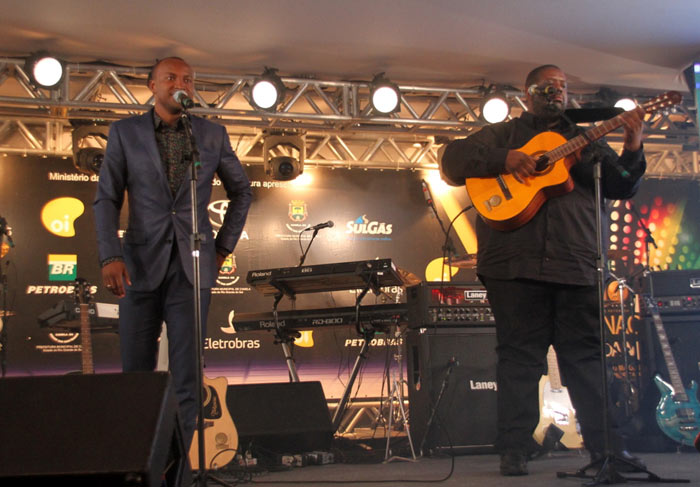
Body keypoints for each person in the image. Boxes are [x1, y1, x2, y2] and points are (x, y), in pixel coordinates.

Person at [440, 65, 646, 476]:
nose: (556, 91)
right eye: (546, 86)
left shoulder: (584, 143)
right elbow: (452, 160)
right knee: (518, 360)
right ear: (527, 93)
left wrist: (633, 142)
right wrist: (506, 159)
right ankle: (514, 449)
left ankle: (607, 450)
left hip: (575, 263)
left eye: (562, 86)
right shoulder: (504, 134)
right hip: (513, 264)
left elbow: (622, 185)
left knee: (586, 360)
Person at [94, 57, 252, 445]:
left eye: (187, 79)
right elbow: (107, 198)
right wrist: (110, 255)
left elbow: (242, 192)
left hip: (192, 267)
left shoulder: (211, 135)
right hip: (138, 265)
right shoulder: (125, 132)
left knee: (187, 376)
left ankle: (181, 470)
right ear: (152, 85)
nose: (180, 83)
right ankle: (140, 465)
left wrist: (222, 247)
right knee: (137, 375)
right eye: (170, 78)